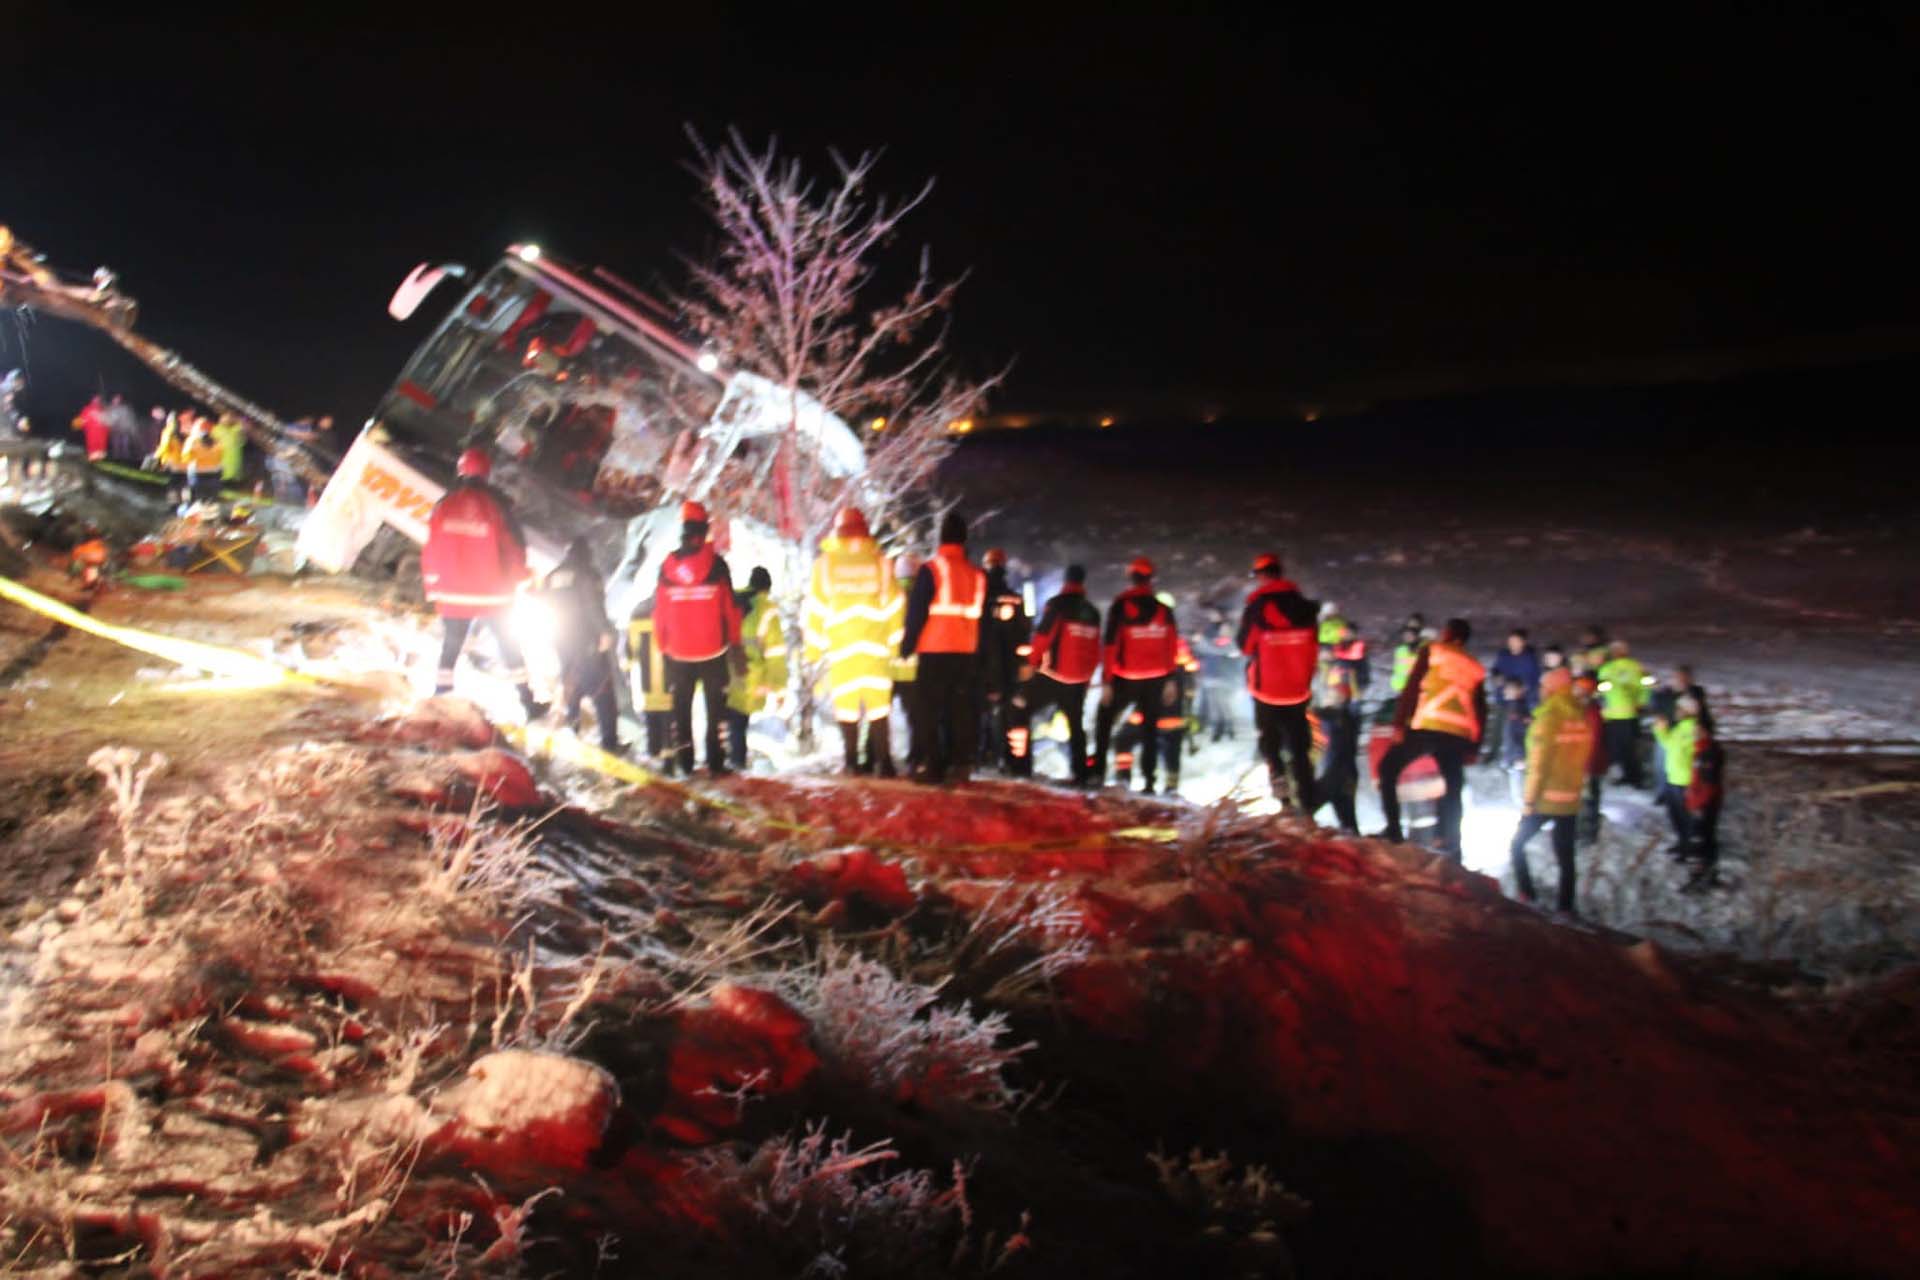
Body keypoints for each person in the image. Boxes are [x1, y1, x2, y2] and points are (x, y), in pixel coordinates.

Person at [421, 446, 546, 718]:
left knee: (451, 645)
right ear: (487, 473)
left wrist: (433, 586)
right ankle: (528, 703)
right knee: (509, 647)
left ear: (461, 471)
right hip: (493, 595)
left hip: (453, 594)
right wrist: (522, 578)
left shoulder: (444, 504)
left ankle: (440, 697)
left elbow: (431, 547)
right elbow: (514, 547)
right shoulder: (498, 505)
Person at [1375, 618, 1487, 859]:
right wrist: (1474, 747)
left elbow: (1412, 687)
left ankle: (1393, 830)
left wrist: (1399, 723)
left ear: (1448, 633)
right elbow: (1481, 710)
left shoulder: (1433, 651)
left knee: (1388, 769)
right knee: (1454, 785)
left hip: (1428, 727)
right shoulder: (1475, 666)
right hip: (1457, 736)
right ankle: (1451, 841)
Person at [804, 507, 901, 776]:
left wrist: (813, 650)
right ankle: (885, 763)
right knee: (878, 707)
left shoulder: (825, 564)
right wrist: (894, 645)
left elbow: (816, 609)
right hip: (876, 647)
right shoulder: (881, 562)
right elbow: (895, 605)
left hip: (842, 649)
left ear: (838, 532)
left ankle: (851, 763)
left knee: (846, 707)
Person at [654, 499, 743, 776]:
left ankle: (685, 761)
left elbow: (661, 611)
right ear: (704, 530)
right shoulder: (717, 566)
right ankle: (716, 760)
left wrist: (663, 645)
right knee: (716, 708)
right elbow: (730, 609)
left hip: (678, 652)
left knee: (680, 709)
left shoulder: (667, 567)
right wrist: (735, 643)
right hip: (713, 649)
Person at [900, 511, 986, 783]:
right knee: (959, 709)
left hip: (934, 650)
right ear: (964, 539)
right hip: (965, 652)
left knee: (929, 711)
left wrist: (907, 646)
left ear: (941, 538)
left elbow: (917, 612)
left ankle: (933, 766)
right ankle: (959, 764)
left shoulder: (931, 569)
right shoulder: (977, 575)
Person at [1235, 552, 1318, 811]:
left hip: (1266, 690)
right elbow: (1313, 648)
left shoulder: (1257, 607)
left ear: (1261, 576)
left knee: (1270, 745)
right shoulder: (1305, 608)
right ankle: (1307, 799)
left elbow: (1245, 646)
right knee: (1300, 748)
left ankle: (1283, 798)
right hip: (1297, 689)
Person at [1509, 668, 1596, 914]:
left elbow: (1539, 765)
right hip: (1570, 800)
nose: (1540, 691)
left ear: (1552, 689)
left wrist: (1529, 800)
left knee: (1516, 846)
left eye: (1544, 687)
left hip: (1545, 800)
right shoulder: (1581, 716)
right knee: (1566, 858)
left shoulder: (1548, 718)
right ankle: (1565, 908)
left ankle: (1527, 896)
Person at [1093, 555, 1180, 793]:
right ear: (1151, 579)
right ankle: (1150, 782)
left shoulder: (1120, 607)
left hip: (1126, 676)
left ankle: (1096, 773)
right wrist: (1171, 679)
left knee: (1104, 721)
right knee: (1150, 730)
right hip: (1155, 678)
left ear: (1130, 578)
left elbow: (1110, 646)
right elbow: (1171, 645)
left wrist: (1107, 681)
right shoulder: (1164, 610)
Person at [1015, 564, 1103, 783]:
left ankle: (1021, 765)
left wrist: (1031, 663)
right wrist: (1088, 676)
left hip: (1052, 675)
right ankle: (1081, 773)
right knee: (1076, 725)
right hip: (1079, 679)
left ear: (1065, 580)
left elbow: (1043, 636)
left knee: (1020, 709)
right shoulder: (1092, 612)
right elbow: (1095, 648)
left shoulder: (1056, 605)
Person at [543, 536, 625, 753]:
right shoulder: (586, 573)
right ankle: (610, 743)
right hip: (587, 641)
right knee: (602, 690)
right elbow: (592, 605)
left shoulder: (552, 576)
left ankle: (573, 729)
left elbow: (544, 604)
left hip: (561, 640)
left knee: (572, 683)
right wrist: (604, 632)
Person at [724, 566, 789, 772]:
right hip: (750, 673)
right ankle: (738, 765)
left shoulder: (733, 599)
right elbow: (775, 652)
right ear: (767, 588)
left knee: (726, 718)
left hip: (724, 668)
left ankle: (721, 762)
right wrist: (779, 688)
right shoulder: (767, 608)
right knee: (739, 723)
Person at [978, 548, 1032, 773]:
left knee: (982, 713)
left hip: (983, 666)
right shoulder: (1017, 598)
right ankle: (1013, 762)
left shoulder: (979, 598)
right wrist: (1024, 665)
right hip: (1010, 668)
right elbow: (1025, 634)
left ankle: (984, 755)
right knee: (1011, 715)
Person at [1313, 657, 1362, 833]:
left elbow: (1316, 710)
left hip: (1337, 774)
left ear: (1341, 698)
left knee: (1306, 808)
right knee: (1349, 824)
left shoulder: (1340, 715)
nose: (1327, 697)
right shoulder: (1347, 716)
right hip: (1346, 775)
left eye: (1331, 695)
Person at [623, 601, 675, 767]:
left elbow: (628, 653)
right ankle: (669, 762)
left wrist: (628, 675)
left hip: (645, 684)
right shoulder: (670, 609)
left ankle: (654, 756)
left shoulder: (636, 612)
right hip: (668, 681)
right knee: (669, 725)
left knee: (651, 722)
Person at [1597, 639, 1651, 788]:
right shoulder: (1636, 667)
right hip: (1627, 714)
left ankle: (1631, 777)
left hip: (1615, 716)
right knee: (1627, 749)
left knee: (1620, 750)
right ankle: (1632, 777)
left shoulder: (1607, 668)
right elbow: (1646, 687)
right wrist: (1641, 703)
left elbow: (1601, 691)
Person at [1486, 628, 1542, 762]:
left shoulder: (1530, 658)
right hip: (1503, 697)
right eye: (1511, 641)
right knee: (1499, 726)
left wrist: (1522, 691)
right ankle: (1493, 753)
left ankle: (1523, 755)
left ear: (1523, 642)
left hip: (1522, 700)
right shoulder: (1504, 655)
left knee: (1520, 729)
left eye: (1516, 641)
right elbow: (1496, 670)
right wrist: (1496, 677)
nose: (1513, 644)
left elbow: (1533, 680)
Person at [889, 553, 922, 772]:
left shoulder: (889, 592)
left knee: (879, 714)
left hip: (889, 664)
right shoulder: (922, 594)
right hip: (913, 665)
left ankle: (873, 756)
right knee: (916, 716)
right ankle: (916, 758)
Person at [1192, 604, 1239, 742]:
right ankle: (1218, 729)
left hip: (1224, 676)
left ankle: (1228, 728)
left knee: (1224, 703)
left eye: (1214, 613)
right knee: (1214, 705)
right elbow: (1203, 650)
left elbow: (1221, 649)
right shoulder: (1208, 631)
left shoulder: (1228, 635)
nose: (1211, 616)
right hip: (1211, 674)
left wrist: (1203, 644)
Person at [1573, 672, 1608, 846]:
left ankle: (1588, 833)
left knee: (1589, 799)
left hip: (1590, 764)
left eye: (1578, 689)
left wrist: (1585, 766)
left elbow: (1592, 741)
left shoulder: (1592, 712)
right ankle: (1582, 830)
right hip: (1583, 763)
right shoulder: (1584, 709)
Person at [71, 395, 109, 461]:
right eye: (95, 399)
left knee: (100, 446)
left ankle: (99, 458)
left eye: (98, 399)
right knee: (93, 446)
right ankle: (93, 459)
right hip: (92, 432)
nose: (96, 401)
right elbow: (82, 419)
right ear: (92, 400)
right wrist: (76, 424)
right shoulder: (88, 409)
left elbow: (107, 423)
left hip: (101, 434)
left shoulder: (103, 410)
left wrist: (107, 430)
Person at [211, 415, 246, 485]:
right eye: (225, 419)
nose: (227, 421)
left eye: (229, 419)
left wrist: (240, 434)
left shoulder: (236, 429)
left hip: (235, 455)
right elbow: (213, 442)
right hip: (222, 455)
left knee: (234, 471)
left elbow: (242, 440)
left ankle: (234, 482)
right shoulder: (217, 429)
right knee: (224, 474)